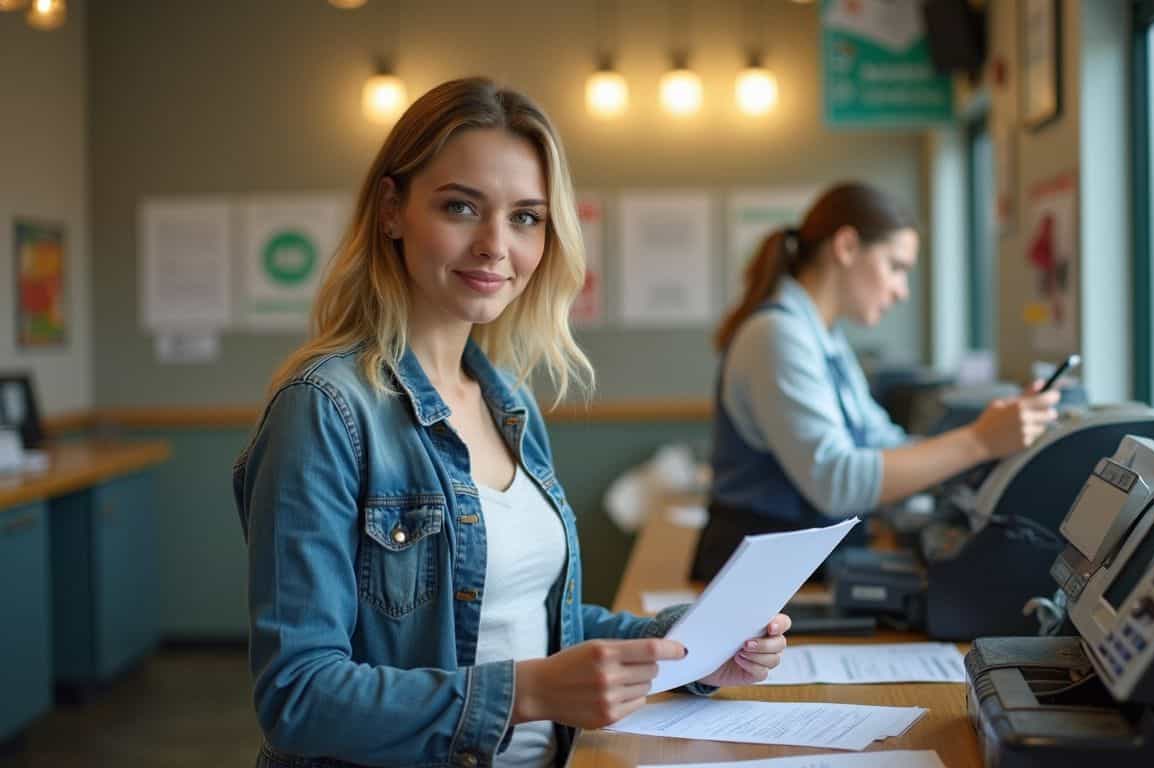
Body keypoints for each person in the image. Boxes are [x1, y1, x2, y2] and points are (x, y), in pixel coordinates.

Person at [233, 77, 790, 768]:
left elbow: (533, 621)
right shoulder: (325, 409)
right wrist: (525, 694)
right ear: (391, 210)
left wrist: (697, 645)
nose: (496, 244)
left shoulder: (507, 404)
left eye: (526, 217)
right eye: (462, 206)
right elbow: (298, 698)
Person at [690, 182, 1060, 581]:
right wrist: (979, 441)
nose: (901, 291)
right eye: (895, 267)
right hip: (755, 578)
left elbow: (885, 443)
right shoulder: (778, 334)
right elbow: (836, 481)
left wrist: (993, 440)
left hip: (792, 569)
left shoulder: (823, 336)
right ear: (847, 247)